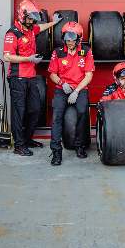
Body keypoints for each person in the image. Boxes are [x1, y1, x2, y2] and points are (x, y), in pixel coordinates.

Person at [3, 0, 61, 156]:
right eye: (30, 18)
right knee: (19, 112)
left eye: (33, 19)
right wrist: (28, 59)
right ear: (22, 16)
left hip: (30, 77)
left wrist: (54, 23)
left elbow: (40, 28)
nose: (32, 21)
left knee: (35, 109)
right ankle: (19, 145)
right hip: (17, 78)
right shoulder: (12, 33)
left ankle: (27, 139)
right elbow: (7, 57)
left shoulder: (30, 29)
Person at [47, 21, 94, 165]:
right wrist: (62, 83)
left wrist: (77, 91)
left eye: (72, 39)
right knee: (56, 117)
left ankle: (80, 146)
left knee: (82, 113)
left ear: (79, 38)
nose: (69, 42)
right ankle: (56, 152)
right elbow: (52, 74)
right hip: (62, 89)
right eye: (66, 38)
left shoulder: (86, 51)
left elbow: (88, 75)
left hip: (80, 89)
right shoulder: (58, 52)